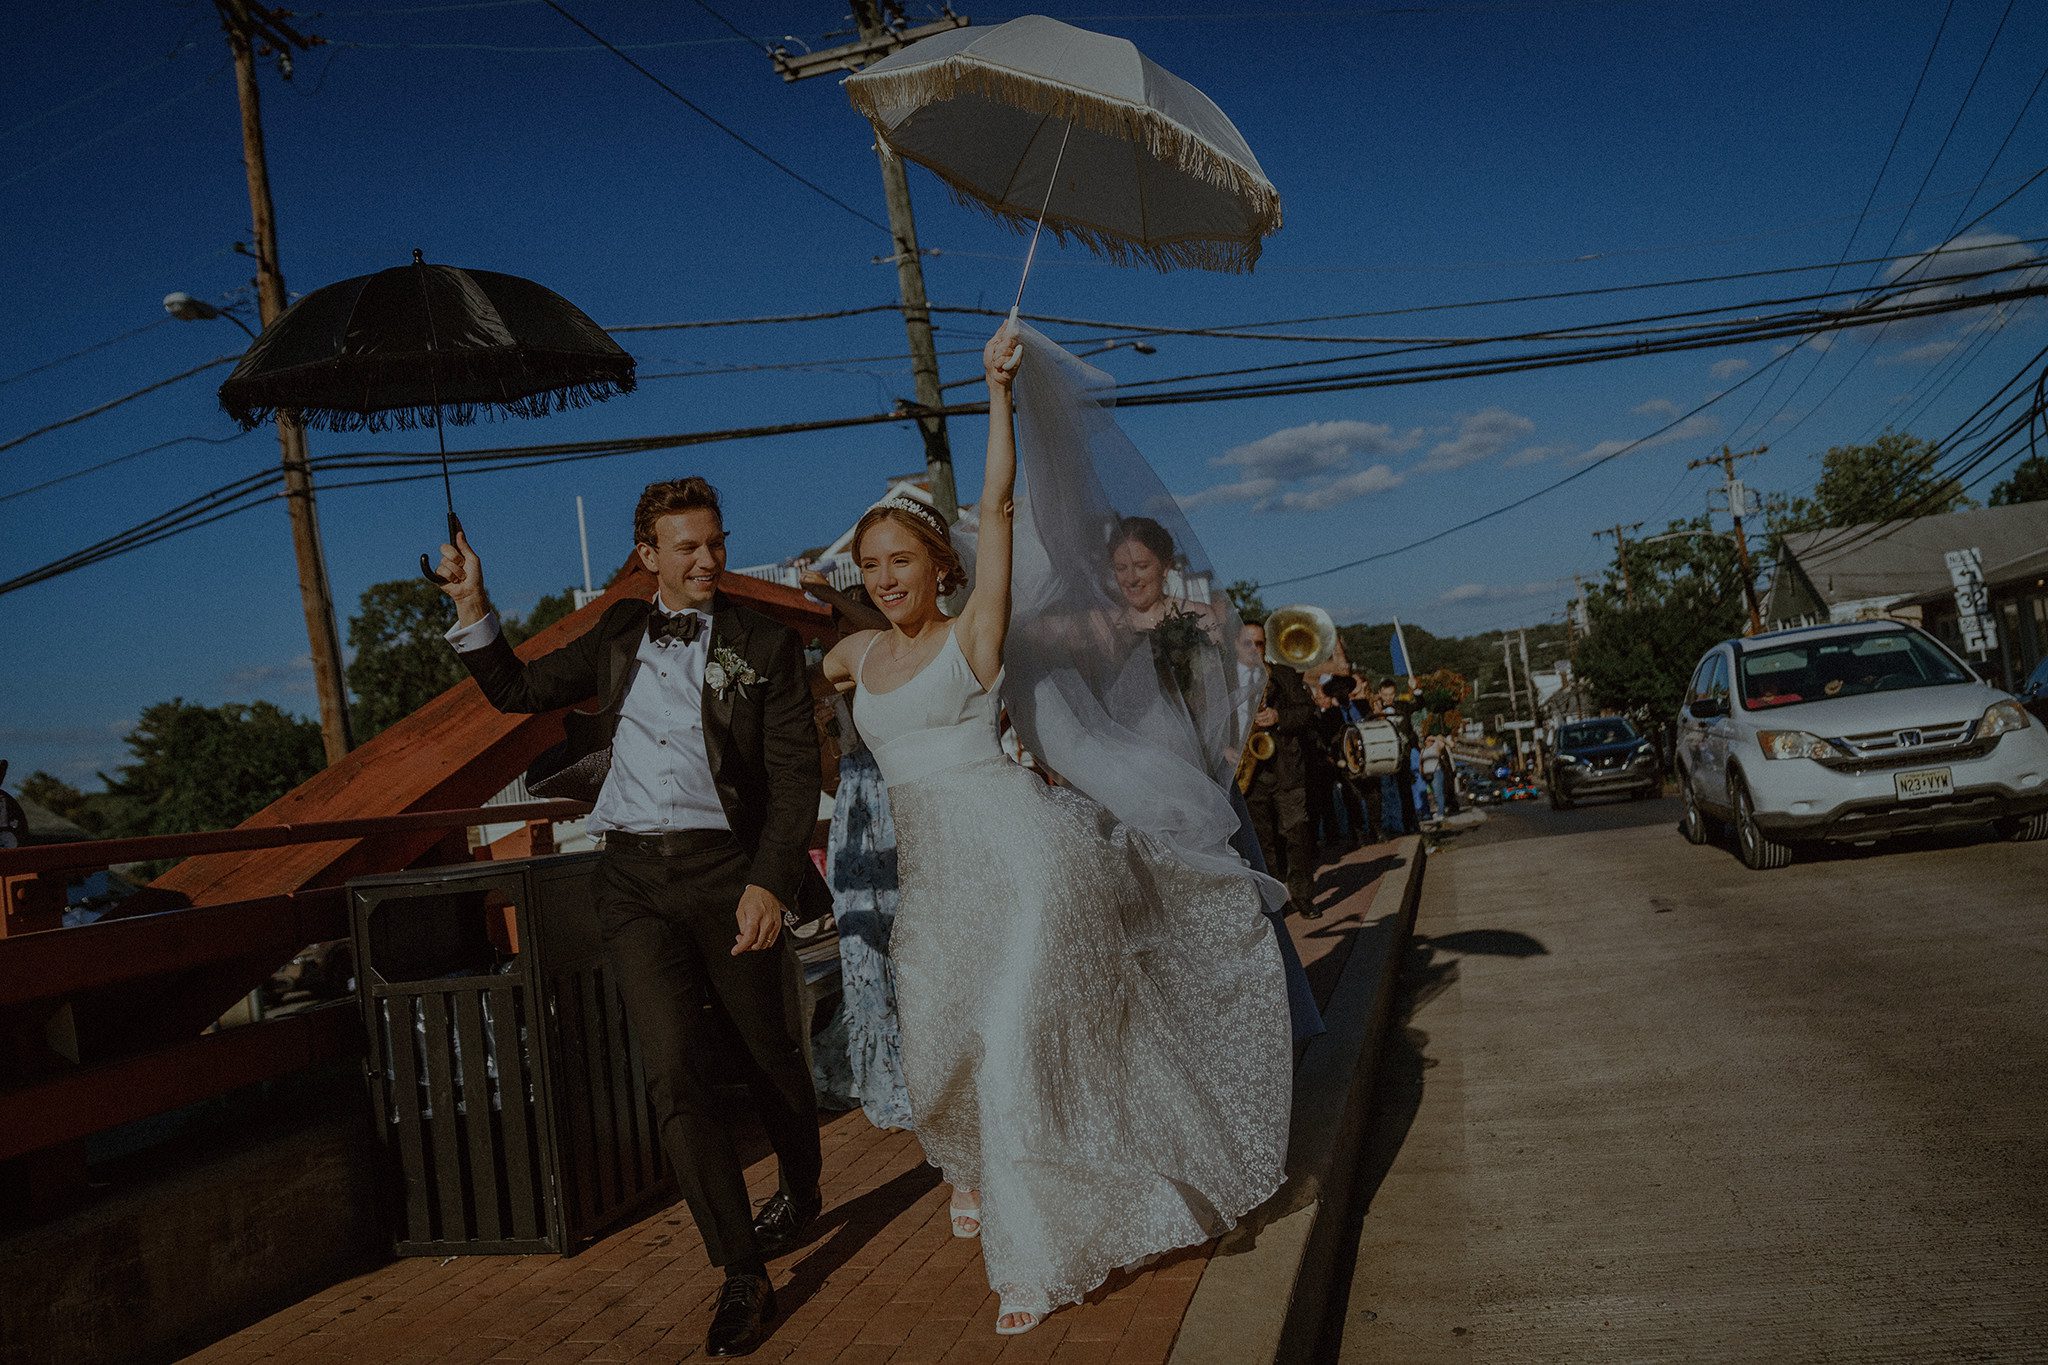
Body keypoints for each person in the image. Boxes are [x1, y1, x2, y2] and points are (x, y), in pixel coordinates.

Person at [820, 327, 1290, 1336]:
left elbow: (993, 505)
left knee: (1015, 1048)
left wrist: (992, 395)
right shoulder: (853, 658)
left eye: (900, 558)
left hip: (1027, 859)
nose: (884, 576)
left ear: (937, 563)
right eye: (870, 565)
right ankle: (1008, 1171)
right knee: (945, 1049)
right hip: (936, 886)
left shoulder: (974, 633)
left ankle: (1029, 1262)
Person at [434, 478, 826, 1359]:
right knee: (675, 1073)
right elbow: (518, 687)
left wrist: (770, 880)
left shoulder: (767, 642)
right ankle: (741, 1274)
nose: (707, 560)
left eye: (715, 543)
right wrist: (474, 604)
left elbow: (796, 774)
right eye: (686, 547)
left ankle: (801, 1184)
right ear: (647, 555)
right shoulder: (618, 632)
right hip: (631, 882)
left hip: (730, 872)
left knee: (768, 1054)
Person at [1109, 520, 1321, 1041]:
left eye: (1142, 567)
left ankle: (1257, 1012)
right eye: (1120, 569)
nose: (1131, 579)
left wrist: (1217, 741)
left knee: (1229, 892)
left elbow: (1224, 691)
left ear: (1166, 567)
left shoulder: (1200, 620)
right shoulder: (1107, 627)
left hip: (1200, 771)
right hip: (1140, 778)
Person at [799, 570, 913, 1133]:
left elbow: (884, 632)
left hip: (903, 792)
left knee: (911, 930)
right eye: (836, 624)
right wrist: (826, 741)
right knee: (862, 941)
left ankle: (925, 1064)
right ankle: (880, 1072)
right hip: (855, 802)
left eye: (851, 617)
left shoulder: (898, 663)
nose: (842, 634)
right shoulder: (829, 682)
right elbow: (826, 778)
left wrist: (830, 594)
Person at [1238, 623, 1322, 920]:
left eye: (1259, 644)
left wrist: (1278, 716)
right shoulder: (1225, 679)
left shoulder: (1282, 675)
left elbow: (1307, 712)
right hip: (1250, 772)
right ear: (1237, 644)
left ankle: (1303, 896)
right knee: (1263, 841)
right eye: (1248, 644)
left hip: (1285, 769)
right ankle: (1276, 898)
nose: (1254, 650)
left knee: (1296, 833)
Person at [1372, 679, 1419, 835]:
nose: (1388, 698)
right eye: (1385, 695)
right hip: (1387, 756)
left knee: (1406, 792)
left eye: (1391, 694)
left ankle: (1411, 825)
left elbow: (1419, 704)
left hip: (1404, 754)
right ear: (1380, 694)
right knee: (1390, 791)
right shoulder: (1376, 710)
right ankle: (1395, 826)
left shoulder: (1402, 706)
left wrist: (1416, 689)